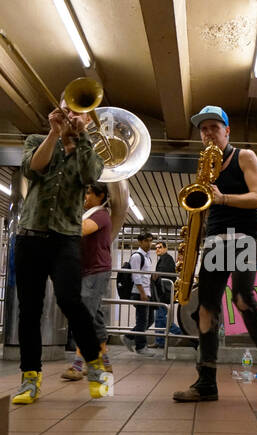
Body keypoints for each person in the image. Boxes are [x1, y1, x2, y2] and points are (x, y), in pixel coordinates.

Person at [173, 105, 257, 402]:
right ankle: (206, 381)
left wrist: (224, 197)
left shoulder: (243, 156)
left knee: (242, 298)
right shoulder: (203, 169)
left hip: (243, 237)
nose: (208, 133)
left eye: (214, 127)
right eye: (203, 129)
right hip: (214, 240)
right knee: (206, 308)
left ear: (227, 130)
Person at [10, 106, 110, 404]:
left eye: (81, 113)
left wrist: (78, 138)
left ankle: (94, 366)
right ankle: (30, 378)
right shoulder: (36, 140)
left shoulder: (89, 149)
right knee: (29, 309)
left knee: (71, 301)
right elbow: (31, 169)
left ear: (89, 120)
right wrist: (54, 132)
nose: (73, 116)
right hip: (30, 236)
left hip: (65, 238)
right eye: (69, 110)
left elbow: (90, 175)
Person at [63, 183, 115, 379]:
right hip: (89, 270)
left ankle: (78, 365)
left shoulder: (100, 214)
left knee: (84, 315)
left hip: (96, 270)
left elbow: (83, 230)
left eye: (88, 193)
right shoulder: (90, 213)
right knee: (95, 315)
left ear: (100, 196)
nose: (84, 196)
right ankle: (105, 361)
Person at [123, 232, 154, 354]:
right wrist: (142, 293)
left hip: (147, 292)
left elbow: (145, 276)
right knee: (142, 320)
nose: (149, 243)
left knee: (150, 319)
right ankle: (141, 347)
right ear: (140, 242)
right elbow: (136, 276)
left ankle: (129, 337)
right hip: (139, 292)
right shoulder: (137, 256)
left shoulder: (147, 257)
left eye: (151, 241)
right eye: (146, 241)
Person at [149, 240, 177, 348]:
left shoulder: (166, 259)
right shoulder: (164, 259)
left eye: (160, 247)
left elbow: (163, 274)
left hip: (164, 293)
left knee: (160, 318)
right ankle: (159, 341)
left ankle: (181, 333)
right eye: (156, 247)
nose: (157, 249)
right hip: (163, 292)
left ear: (165, 248)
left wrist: (154, 276)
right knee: (158, 317)